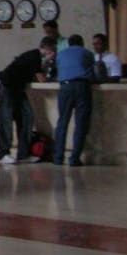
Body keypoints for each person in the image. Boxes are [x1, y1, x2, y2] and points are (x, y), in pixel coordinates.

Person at [0, 36, 57, 165]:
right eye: (52, 50)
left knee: (26, 117)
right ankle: (3, 154)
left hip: (18, 89)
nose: (53, 54)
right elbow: (41, 78)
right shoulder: (34, 56)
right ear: (46, 48)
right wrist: (49, 63)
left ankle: (24, 153)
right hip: (7, 87)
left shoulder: (36, 59)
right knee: (5, 120)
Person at [53, 34, 96, 167]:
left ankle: (58, 157)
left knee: (62, 122)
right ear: (82, 43)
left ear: (69, 44)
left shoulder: (60, 54)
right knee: (80, 123)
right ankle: (74, 158)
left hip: (64, 87)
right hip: (81, 86)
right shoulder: (87, 53)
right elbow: (91, 70)